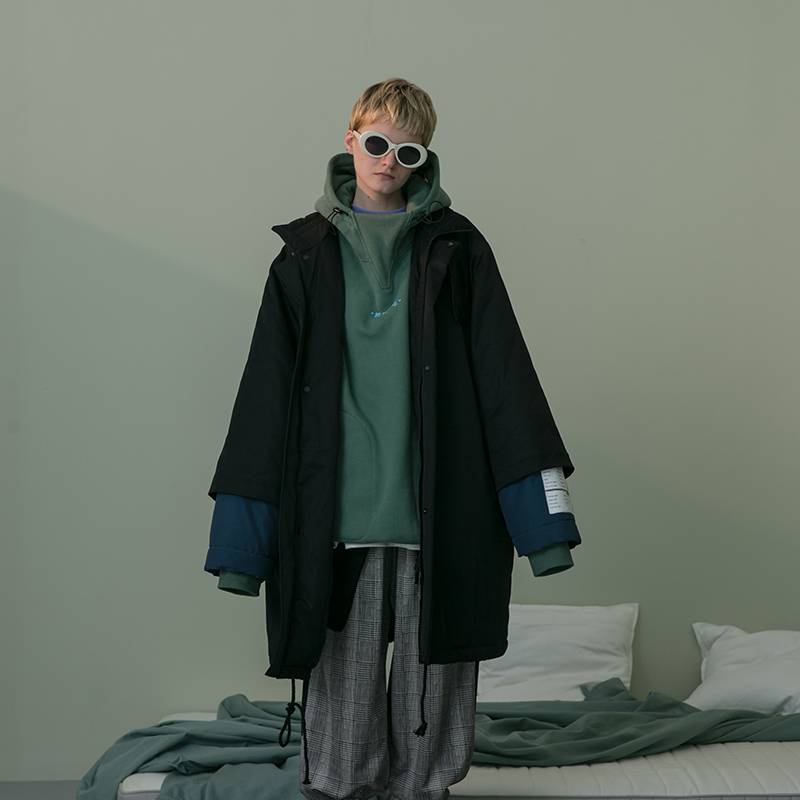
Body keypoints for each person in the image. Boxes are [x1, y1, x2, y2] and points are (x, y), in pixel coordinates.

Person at [204, 77, 582, 800]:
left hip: (440, 513)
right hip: (335, 517)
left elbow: (506, 382)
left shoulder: (459, 249)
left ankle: (424, 791)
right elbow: (263, 402)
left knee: (434, 683)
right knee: (341, 695)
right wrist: (241, 549)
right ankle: (341, 788)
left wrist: (545, 531)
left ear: (423, 158)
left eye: (407, 151)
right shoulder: (303, 257)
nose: (388, 160)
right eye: (376, 143)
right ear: (351, 141)